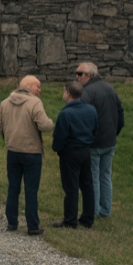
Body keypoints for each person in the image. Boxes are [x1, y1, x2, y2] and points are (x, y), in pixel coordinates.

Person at [0, 75, 55, 235]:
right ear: (28, 87)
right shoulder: (34, 103)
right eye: (38, 87)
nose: (40, 91)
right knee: (31, 190)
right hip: (31, 152)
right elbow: (44, 125)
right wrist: (52, 122)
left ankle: (12, 223)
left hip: (12, 151)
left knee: (13, 188)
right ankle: (33, 226)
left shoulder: (4, 103)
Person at [76, 62, 124, 218]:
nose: (77, 77)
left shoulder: (86, 92)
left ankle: (94, 210)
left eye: (80, 74)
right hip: (110, 141)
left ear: (89, 75)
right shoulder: (109, 88)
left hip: (95, 142)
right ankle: (105, 209)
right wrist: (114, 133)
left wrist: (85, 139)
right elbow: (120, 113)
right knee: (105, 175)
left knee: (93, 176)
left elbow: (84, 118)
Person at [52, 80, 98, 229]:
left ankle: (70, 220)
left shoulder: (65, 113)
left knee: (71, 186)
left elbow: (60, 136)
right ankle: (87, 218)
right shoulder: (91, 110)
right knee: (87, 185)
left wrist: (58, 149)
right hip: (85, 150)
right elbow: (95, 129)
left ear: (68, 93)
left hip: (70, 151)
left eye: (64, 91)